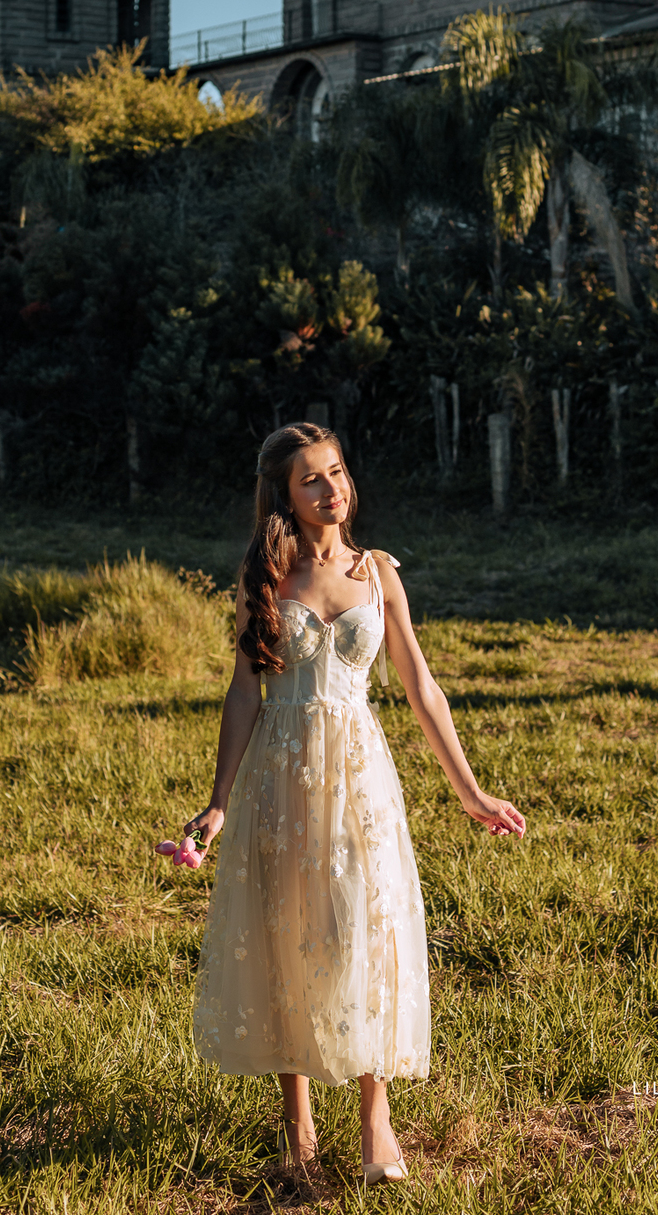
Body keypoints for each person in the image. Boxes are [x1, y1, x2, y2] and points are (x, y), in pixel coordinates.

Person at [184, 422, 525, 1184]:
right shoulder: (264, 580)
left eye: (336, 471)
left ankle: (377, 1121)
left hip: (362, 776)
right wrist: (218, 803)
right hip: (283, 772)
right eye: (311, 479)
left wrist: (469, 791)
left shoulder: (379, 573)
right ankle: (296, 1126)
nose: (332, 489)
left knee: (363, 931)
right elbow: (245, 692)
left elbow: (421, 686)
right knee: (287, 933)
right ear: (285, 496)